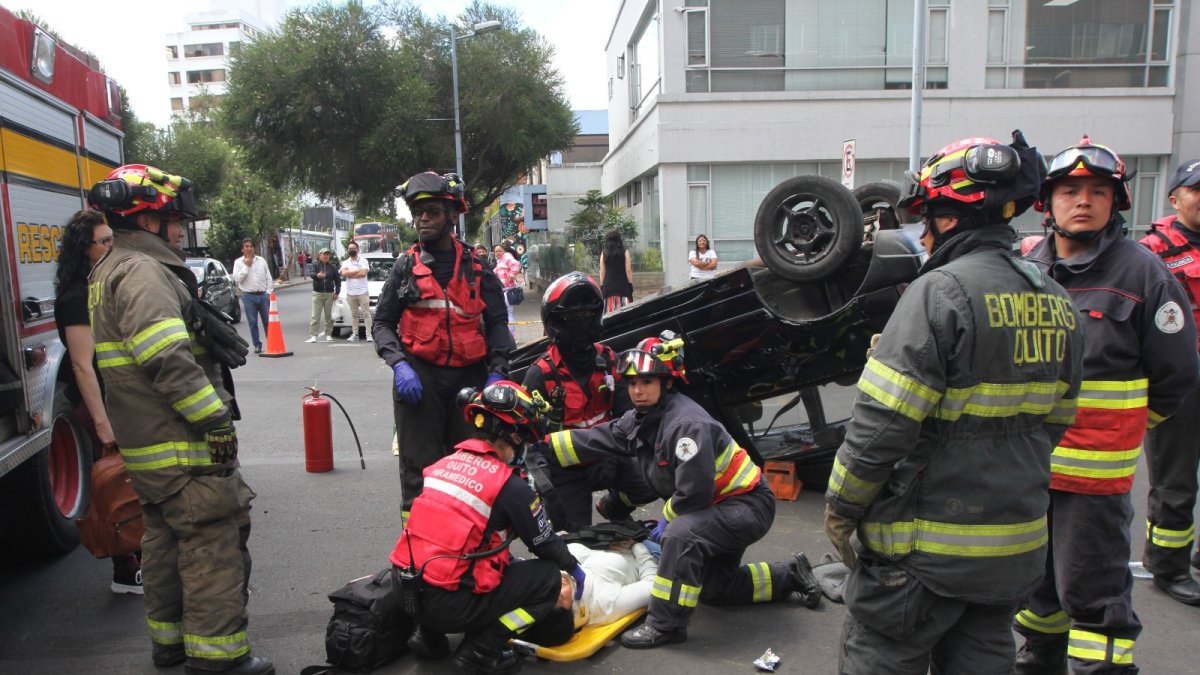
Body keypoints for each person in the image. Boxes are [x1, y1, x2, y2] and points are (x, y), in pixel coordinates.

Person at [823, 132, 1085, 674]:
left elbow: (881, 427)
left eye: (930, 217)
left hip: (921, 560)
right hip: (1011, 555)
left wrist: (842, 507)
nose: (924, 231)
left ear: (953, 216)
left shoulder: (939, 292)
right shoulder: (1058, 302)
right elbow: (1054, 423)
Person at [1014, 138, 1199, 674]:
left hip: (1095, 479)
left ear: (1115, 202)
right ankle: (1042, 654)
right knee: (1036, 583)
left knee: (1094, 593)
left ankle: (1103, 669)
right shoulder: (1024, 266)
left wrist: (1125, 429)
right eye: (1070, 190)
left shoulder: (1144, 273)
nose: (1083, 201)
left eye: (1098, 191)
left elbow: (1176, 377)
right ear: (1045, 203)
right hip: (1027, 468)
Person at [86, 164, 271, 674]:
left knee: (164, 540)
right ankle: (220, 658)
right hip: (181, 443)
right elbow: (165, 358)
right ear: (147, 220)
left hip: (148, 447)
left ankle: (169, 646)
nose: (179, 231)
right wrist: (214, 421)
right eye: (173, 221)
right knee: (212, 539)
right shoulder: (144, 273)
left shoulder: (110, 268)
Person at [542, 334, 823, 649]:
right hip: (719, 508)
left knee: (682, 535)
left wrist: (663, 526)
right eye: (632, 382)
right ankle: (790, 576)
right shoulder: (643, 419)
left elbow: (693, 495)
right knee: (714, 590)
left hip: (745, 506)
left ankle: (666, 626)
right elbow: (599, 438)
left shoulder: (685, 426)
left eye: (647, 381)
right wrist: (542, 446)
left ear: (667, 382)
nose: (637, 390)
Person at [391, 380, 586, 675]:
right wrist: (573, 567)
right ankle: (479, 652)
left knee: (455, 554)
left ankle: (427, 635)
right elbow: (543, 542)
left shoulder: (443, 464)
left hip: (404, 587)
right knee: (546, 579)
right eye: (525, 440)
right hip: (446, 604)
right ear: (513, 437)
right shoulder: (509, 485)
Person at [373, 171, 513, 525]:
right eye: (417, 213)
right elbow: (382, 324)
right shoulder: (405, 267)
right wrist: (399, 364)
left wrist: (497, 370)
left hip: (471, 380)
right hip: (420, 380)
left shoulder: (479, 268)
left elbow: (497, 323)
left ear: (452, 215)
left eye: (432, 212)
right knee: (419, 471)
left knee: (471, 467)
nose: (423, 219)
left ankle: (469, 545)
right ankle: (418, 550)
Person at [521, 272, 655, 532]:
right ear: (555, 322)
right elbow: (527, 439)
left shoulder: (608, 359)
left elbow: (628, 411)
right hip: (566, 471)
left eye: (586, 316)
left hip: (608, 457)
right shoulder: (540, 375)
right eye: (572, 318)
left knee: (654, 481)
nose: (580, 324)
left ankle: (613, 506)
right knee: (576, 539)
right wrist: (541, 482)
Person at [53, 208, 143, 595]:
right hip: (98, 408)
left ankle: (135, 563)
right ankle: (126, 571)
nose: (110, 247)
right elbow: (82, 365)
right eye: (103, 241)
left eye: (112, 240)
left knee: (132, 484)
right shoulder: (75, 297)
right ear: (83, 248)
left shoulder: (99, 286)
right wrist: (102, 422)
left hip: (117, 400)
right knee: (116, 490)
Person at [1137, 158, 1200, 606]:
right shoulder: (1153, 252)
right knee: (1175, 483)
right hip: (1182, 383)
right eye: (1197, 190)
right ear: (1175, 198)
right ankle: (1169, 565)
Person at [565, 539, 658, 629]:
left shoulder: (558, 575)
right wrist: (637, 546)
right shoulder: (604, 602)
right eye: (560, 596)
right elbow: (653, 586)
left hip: (607, 536)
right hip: (647, 553)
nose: (557, 585)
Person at [231, 238, 273, 355]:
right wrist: (247, 266)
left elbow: (268, 277)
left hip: (263, 295)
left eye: (251, 246)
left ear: (254, 248)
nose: (249, 248)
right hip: (248, 296)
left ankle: (271, 342)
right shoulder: (238, 262)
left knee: (267, 321)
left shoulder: (261, 261)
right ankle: (257, 345)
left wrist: (268, 293)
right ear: (242, 249)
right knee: (253, 322)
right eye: (246, 246)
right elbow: (237, 279)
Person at [305, 248, 340, 343]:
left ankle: (328, 334)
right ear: (320, 255)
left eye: (327, 254)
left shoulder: (332, 267)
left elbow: (337, 280)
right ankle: (313, 335)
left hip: (329, 294)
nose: (326, 256)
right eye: (324, 254)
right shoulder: (315, 264)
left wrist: (337, 292)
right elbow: (311, 273)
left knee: (329, 316)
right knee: (315, 315)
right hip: (318, 293)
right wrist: (317, 275)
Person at [340, 242, 372, 342]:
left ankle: (369, 335)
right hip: (350, 292)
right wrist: (356, 271)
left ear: (358, 250)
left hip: (362, 291)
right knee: (354, 314)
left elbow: (363, 273)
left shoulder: (364, 261)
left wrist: (350, 274)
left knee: (366, 314)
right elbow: (344, 273)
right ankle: (355, 334)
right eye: (349, 249)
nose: (351, 250)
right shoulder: (345, 262)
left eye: (353, 248)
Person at [598, 229, 633, 313]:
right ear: (618, 239)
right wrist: (630, 284)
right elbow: (628, 270)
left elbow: (602, 272)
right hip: (623, 287)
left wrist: (602, 286)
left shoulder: (604, 253)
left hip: (608, 287)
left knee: (608, 314)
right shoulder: (625, 252)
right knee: (625, 313)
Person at [494, 242, 522, 338]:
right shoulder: (500, 261)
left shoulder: (507, 257)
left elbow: (516, 264)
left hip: (508, 290)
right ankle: (510, 336)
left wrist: (512, 276)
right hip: (504, 290)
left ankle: (511, 336)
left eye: (499, 251)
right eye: (496, 251)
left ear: (504, 251)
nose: (498, 253)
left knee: (508, 313)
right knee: (507, 312)